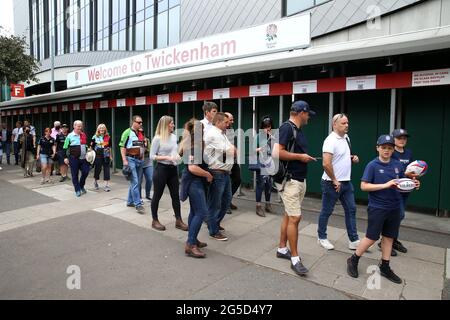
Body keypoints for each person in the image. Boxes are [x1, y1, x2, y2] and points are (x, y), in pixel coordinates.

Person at [346, 135, 420, 284]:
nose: (387, 150)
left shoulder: (398, 165)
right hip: (378, 208)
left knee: (389, 237)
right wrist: (386, 185)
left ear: (393, 149)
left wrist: (414, 184)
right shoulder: (372, 165)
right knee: (372, 237)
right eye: (384, 147)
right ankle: (353, 259)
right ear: (377, 148)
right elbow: (364, 186)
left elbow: (404, 181)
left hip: (394, 207)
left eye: (390, 148)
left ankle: (385, 266)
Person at [272, 101, 317, 276]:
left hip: (298, 180)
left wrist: (303, 157)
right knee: (295, 218)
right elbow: (277, 152)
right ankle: (295, 259)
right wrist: (300, 156)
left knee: (289, 215)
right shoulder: (287, 128)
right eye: (307, 114)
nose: (308, 117)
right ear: (300, 112)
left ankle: (282, 249)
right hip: (290, 181)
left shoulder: (296, 130)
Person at [317, 113, 360, 251]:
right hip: (331, 183)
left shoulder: (347, 138)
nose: (347, 125)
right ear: (334, 125)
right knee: (327, 211)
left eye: (347, 122)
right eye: (343, 123)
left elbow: (342, 157)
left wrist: (353, 158)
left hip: (346, 182)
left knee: (351, 209)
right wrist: (335, 180)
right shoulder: (330, 140)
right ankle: (322, 237)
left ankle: (353, 240)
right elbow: (326, 163)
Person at [180, 119, 213, 258]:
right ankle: (191, 244)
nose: (204, 132)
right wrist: (207, 174)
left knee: (194, 212)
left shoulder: (195, 145)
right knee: (201, 213)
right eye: (203, 130)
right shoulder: (194, 147)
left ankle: (193, 239)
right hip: (194, 183)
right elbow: (192, 167)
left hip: (196, 182)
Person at [150, 116, 188, 231]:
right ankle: (155, 220)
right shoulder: (157, 138)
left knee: (175, 196)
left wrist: (177, 156)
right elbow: (152, 156)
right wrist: (166, 157)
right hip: (161, 169)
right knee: (157, 195)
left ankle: (178, 220)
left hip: (173, 170)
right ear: (166, 125)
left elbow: (174, 152)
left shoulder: (174, 137)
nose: (173, 125)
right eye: (172, 123)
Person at [385, 128, 415, 255]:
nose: (402, 140)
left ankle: (393, 240)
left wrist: (414, 177)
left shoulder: (408, 153)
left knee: (398, 216)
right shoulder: (390, 152)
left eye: (404, 138)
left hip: (405, 189)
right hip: (394, 190)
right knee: (398, 215)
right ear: (393, 139)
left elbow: (412, 169)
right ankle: (385, 241)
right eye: (399, 138)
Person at [204, 112, 235, 241]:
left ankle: (214, 223)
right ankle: (213, 230)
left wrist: (232, 150)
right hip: (217, 172)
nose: (228, 124)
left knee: (226, 200)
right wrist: (232, 150)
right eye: (225, 122)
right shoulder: (213, 134)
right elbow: (230, 150)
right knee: (215, 203)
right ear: (218, 122)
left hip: (224, 173)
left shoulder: (222, 134)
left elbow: (232, 148)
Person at [120, 115, 145, 214]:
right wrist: (124, 161)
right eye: (139, 122)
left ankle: (130, 201)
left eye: (141, 122)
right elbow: (122, 147)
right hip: (130, 159)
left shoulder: (140, 133)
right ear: (133, 122)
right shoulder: (127, 132)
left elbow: (142, 145)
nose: (140, 124)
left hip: (139, 160)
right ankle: (138, 204)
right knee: (135, 182)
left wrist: (142, 157)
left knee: (137, 182)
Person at [254, 116, 275, 217]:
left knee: (269, 185)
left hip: (270, 163)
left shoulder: (273, 136)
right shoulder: (258, 136)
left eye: (269, 126)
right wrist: (259, 149)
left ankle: (267, 204)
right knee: (260, 184)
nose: (267, 128)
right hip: (261, 163)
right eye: (265, 127)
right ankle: (258, 206)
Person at [63, 120, 90, 197]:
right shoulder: (69, 136)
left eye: (81, 126)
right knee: (75, 175)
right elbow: (65, 147)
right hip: (73, 158)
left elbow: (85, 145)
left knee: (86, 171)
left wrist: (88, 150)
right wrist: (65, 157)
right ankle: (77, 190)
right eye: (78, 126)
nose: (80, 128)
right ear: (74, 126)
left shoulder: (83, 135)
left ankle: (81, 186)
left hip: (83, 158)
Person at [224, 112, 241, 213]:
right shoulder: (220, 130)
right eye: (231, 120)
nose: (232, 121)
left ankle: (228, 199)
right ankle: (225, 204)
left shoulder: (231, 129)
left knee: (237, 179)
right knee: (225, 182)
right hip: (223, 160)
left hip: (232, 159)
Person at [91, 124, 112, 192]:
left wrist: (111, 155)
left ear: (105, 129)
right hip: (98, 154)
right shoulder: (95, 137)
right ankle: (95, 181)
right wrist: (91, 155)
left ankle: (106, 185)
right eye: (100, 128)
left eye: (103, 128)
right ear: (98, 129)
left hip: (106, 154)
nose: (102, 130)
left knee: (107, 169)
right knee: (98, 169)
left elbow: (110, 147)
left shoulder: (108, 137)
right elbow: (91, 147)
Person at [139, 127, 153, 201]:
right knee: (139, 181)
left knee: (150, 179)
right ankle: (139, 196)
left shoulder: (147, 140)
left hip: (148, 162)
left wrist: (145, 146)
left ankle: (147, 194)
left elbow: (150, 151)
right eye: (139, 132)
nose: (141, 133)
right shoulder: (135, 140)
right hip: (139, 163)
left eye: (142, 132)